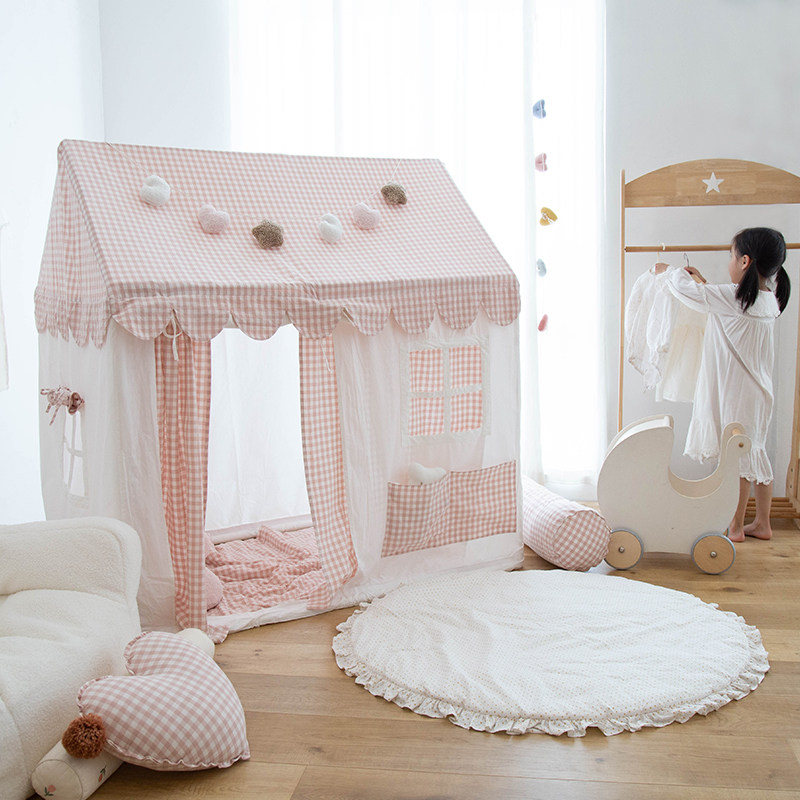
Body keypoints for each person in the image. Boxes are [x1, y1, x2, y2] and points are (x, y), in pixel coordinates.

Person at [654, 227, 791, 542]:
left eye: (731, 256)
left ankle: (736, 526)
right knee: (755, 451)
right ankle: (763, 523)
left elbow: (691, 294)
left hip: (736, 392)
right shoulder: (769, 300)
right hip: (759, 394)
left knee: (736, 458)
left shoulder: (733, 297)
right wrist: (703, 281)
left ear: (744, 261)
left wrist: (669, 272)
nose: (729, 261)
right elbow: (720, 304)